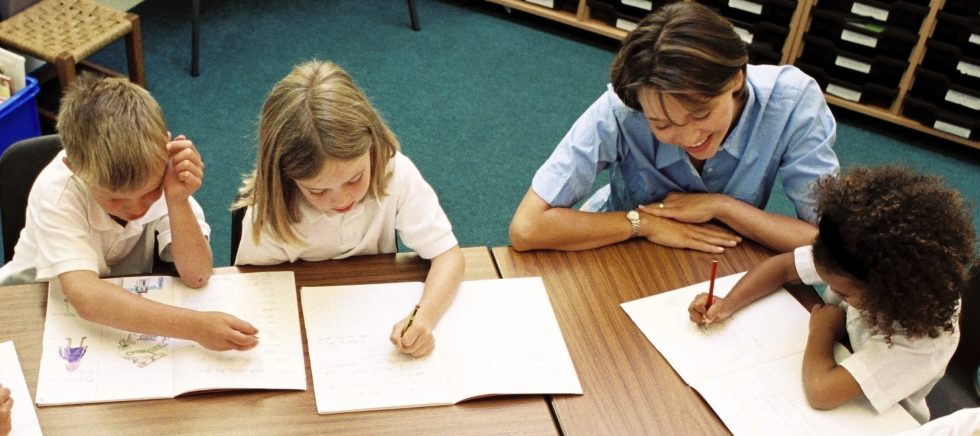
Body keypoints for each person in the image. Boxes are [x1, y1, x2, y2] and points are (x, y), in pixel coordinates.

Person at [510, 2, 839, 254]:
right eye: (661, 124)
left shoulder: (794, 102)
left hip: (724, 253)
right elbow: (526, 227)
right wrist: (643, 224)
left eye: (701, 113)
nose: (689, 137)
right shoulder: (624, 107)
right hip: (618, 240)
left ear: (736, 78)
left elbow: (830, 245)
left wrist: (722, 206)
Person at [688, 166, 976, 423]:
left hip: (878, 418)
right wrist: (728, 303)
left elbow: (821, 392)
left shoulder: (919, 339)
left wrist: (822, 332)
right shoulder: (851, 255)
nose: (833, 290)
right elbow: (783, 267)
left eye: (842, 292)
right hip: (838, 357)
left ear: (888, 294)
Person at [0, 75, 258, 352]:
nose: (137, 208)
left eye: (150, 191)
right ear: (74, 167)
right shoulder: (57, 192)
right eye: (115, 198)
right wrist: (195, 327)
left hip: (111, 297)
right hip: (30, 299)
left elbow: (198, 274)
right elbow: (87, 297)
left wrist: (177, 200)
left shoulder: (160, 171)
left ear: (166, 148)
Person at [233, 60, 464, 358]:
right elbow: (252, 289)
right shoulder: (270, 212)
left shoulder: (394, 171)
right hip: (303, 334)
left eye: (355, 179)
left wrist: (424, 318)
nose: (341, 199)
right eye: (317, 191)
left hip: (372, 320)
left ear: (372, 145)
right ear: (285, 177)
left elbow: (447, 255)